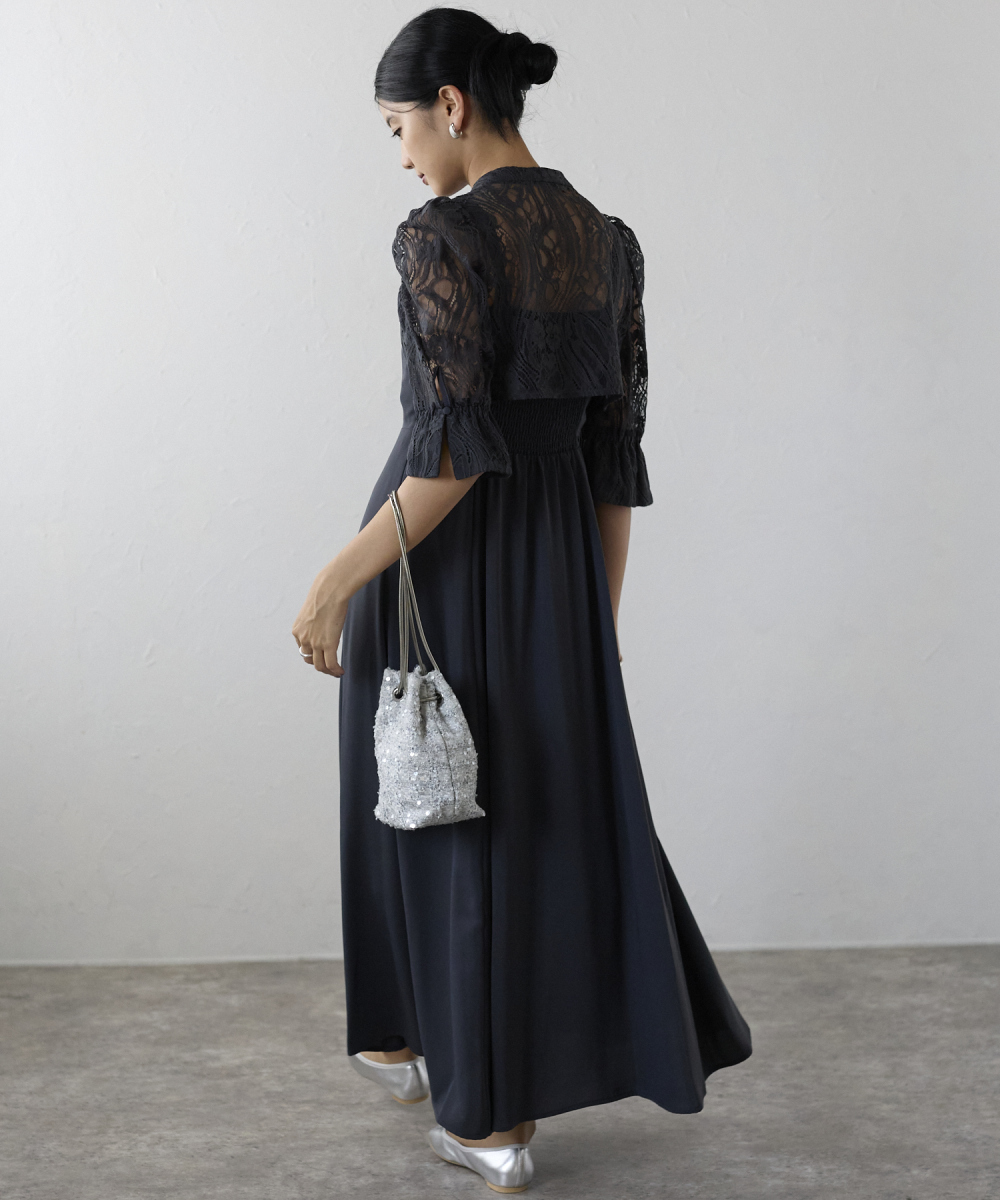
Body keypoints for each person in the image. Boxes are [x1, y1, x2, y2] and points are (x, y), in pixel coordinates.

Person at [292, 8, 752, 1193]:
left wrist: (337, 577)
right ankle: (418, 1047)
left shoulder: (441, 235)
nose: (401, 154)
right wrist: (596, 624)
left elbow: (450, 458)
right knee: (522, 813)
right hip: (558, 562)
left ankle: (484, 1116)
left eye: (397, 126)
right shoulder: (609, 242)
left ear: (450, 105)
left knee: (429, 806)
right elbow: (612, 458)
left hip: (434, 556)